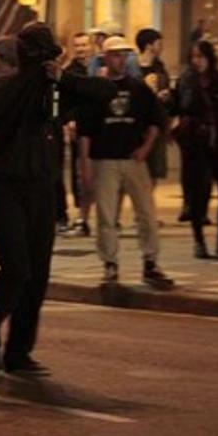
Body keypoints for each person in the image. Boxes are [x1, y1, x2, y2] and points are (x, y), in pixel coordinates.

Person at [0, 24, 115, 376]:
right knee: (16, 267)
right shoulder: (3, 86)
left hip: (41, 186)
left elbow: (105, 92)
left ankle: (18, 351)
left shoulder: (57, 87)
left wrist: (64, 80)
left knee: (38, 274)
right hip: (3, 186)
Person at [78, 36, 175, 291]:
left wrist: (146, 147)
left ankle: (150, 261)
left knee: (146, 214)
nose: (120, 60)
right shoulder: (96, 89)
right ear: (105, 57)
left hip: (132, 158)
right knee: (107, 216)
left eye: (124, 55)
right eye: (115, 55)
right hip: (104, 158)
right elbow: (85, 131)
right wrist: (85, 165)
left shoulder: (138, 88)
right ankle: (110, 264)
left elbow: (156, 119)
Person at [174, 39, 218, 259]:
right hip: (197, 145)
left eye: (201, 57)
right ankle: (199, 240)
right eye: (193, 57)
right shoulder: (187, 81)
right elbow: (181, 108)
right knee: (200, 194)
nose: (197, 61)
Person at [61, 31, 94, 236]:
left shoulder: (98, 69)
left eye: (84, 45)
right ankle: (82, 216)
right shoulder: (70, 71)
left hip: (97, 130)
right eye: (78, 45)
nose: (81, 49)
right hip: (79, 129)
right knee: (79, 174)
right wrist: (69, 121)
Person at [135, 29, 174, 194]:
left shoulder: (160, 67)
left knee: (155, 169)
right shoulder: (134, 68)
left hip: (157, 123)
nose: (161, 47)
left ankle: (146, 209)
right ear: (149, 45)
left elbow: (167, 90)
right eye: (159, 43)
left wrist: (166, 95)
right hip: (139, 124)